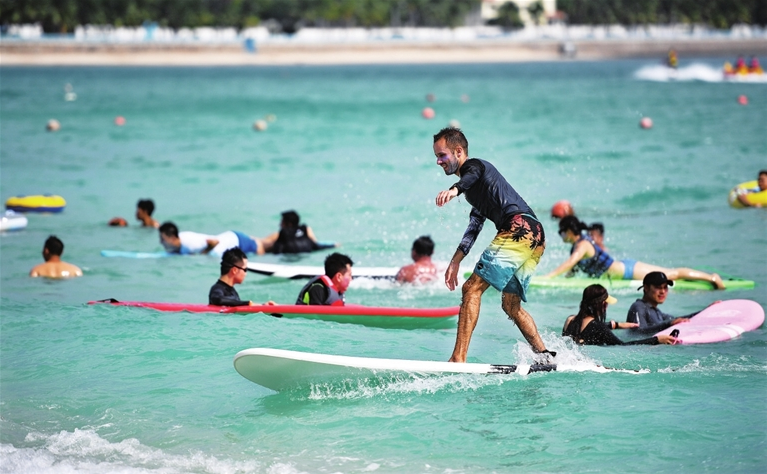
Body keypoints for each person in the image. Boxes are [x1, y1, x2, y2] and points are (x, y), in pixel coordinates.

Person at [433, 127, 555, 363]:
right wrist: (455, 261)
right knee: (511, 306)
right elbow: (474, 226)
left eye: (442, 155)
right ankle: (545, 356)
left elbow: (471, 175)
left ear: (458, 151)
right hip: (536, 234)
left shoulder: (474, 167)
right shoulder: (476, 189)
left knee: (471, 289)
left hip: (518, 228)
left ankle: (458, 358)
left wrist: (454, 190)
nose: (438, 161)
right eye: (437, 156)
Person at [545, 216, 725, 289]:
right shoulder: (576, 247)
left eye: (561, 232)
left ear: (570, 231)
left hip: (627, 270)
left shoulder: (583, 245)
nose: (561, 236)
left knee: (671, 274)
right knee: (669, 275)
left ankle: (712, 278)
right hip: (620, 272)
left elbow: (570, 263)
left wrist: (549, 277)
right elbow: (572, 270)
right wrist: (559, 282)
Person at [563, 284, 677, 346]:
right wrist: (656, 340)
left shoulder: (570, 320)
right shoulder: (599, 327)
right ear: (602, 305)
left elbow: (588, 330)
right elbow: (623, 346)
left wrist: (616, 325)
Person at [627, 271, 720, 334]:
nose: (663, 291)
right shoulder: (638, 307)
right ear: (646, 288)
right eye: (658, 287)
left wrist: (706, 310)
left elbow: (677, 319)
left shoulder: (656, 311)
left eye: (665, 287)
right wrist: (669, 324)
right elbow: (639, 332)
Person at [159, 222, 260, 256]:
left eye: (163, 239)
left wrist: (202, 254)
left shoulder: (190, 245)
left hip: (236, 242)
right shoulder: (181, 238)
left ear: (173, 238)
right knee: (263, 243)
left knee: (264, 248)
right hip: (231, 237)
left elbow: (214, 242)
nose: (161, 242)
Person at [259, 210, 333, 254]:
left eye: (282, 222)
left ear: (289, 224)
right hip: (306, 254)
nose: (280, 224)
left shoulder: (284, 232)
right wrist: (332, 246)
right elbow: (316, 246)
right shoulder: (304, 229)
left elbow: (277, 250)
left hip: (290, 255)